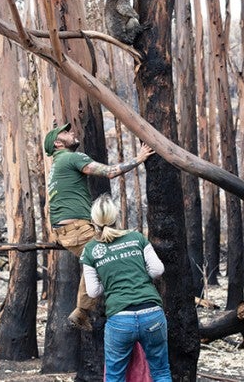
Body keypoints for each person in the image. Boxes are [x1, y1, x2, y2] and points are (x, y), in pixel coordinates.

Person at [44, 122, 154, 331]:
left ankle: (85, 310)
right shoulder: (72, 157)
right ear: (58, 143)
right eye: (66, 132)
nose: (72, 132)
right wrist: (139, 159)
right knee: (109, 252)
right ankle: (84, 311)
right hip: (77, 229)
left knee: (96, 256)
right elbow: (110, 172)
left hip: (65, 231)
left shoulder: (57, 166)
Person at [80, 194, 172, 382]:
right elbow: (157, 270)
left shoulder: (90, 250)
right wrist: (137, 276)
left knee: (114, 376)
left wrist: (113, 281)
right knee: (161, 372)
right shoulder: (136, 238)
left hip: (120, 320)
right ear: (116, 217)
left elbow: (93, 292)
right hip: (152, 314)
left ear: (94, 222)